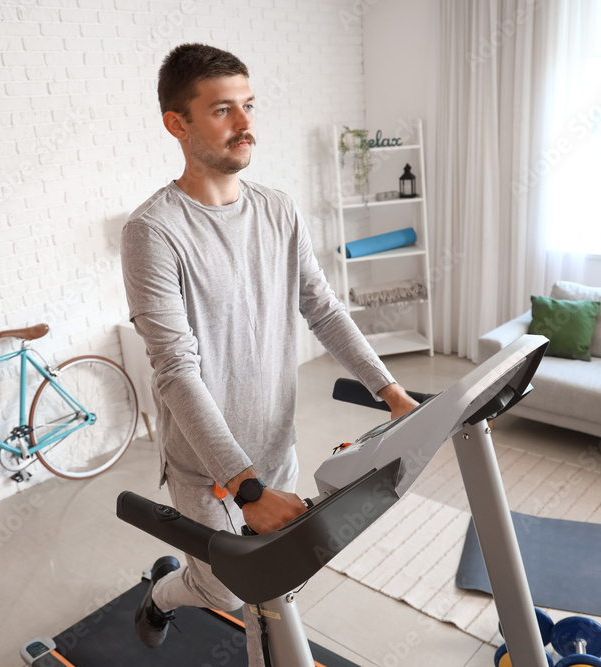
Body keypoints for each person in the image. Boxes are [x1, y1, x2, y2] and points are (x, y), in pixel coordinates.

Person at [121, 43, 419, 666]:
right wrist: (245, 487)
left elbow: (323, 309)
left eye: (249, 106)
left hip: (275, 442)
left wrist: (391, 393)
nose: (245, 123)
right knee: (226, 588)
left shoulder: (278, 209)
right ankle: (163, 595)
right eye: (223, 110)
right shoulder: (154, 231)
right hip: (211, 466)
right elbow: (175, 369)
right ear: (177, 124)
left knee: (272, 589)